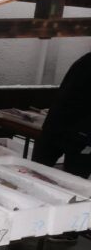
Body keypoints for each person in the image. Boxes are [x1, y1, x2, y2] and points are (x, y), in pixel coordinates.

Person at [34, 50, 91, 179]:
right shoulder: (86, 62)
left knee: (35, 173)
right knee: (73, 184)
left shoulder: (85, 60)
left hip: (55, 127)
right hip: (79, 136)